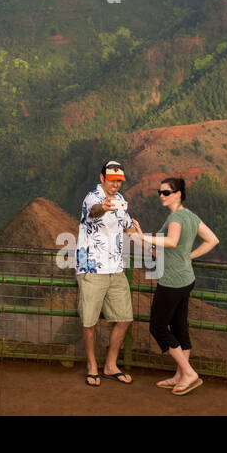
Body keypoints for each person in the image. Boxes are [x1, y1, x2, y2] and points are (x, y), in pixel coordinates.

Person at [139, 177, 219, 396]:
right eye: (160, 192)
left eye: (166, 192)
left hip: (172, 281)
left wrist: (143, 236)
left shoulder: (175, 218)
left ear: (178, 194)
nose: (161, 196)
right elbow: (212, 240)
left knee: (157, 326)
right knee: (179, 326)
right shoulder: (191, 216)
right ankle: (180, 376)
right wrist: (188, 257)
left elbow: (172, 241)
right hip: (186, 279)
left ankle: (189, 373)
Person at [76, 160, 142, 387]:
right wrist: (103, 207)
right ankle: (92, 366)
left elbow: (128, 227)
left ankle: (110, 365)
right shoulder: (92, 198)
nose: (115, 184)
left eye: (119, 181)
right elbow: (93, 213)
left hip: (116, 268)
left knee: (124, 318)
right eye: (112, 180)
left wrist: (148, 243)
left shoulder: (121, 201)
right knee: (89, 321)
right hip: (91, 267)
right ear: (102, 177)